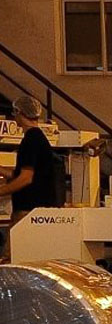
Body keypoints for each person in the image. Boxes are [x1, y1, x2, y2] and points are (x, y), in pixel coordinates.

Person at [0, 96, 57, 258]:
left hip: (27, 211)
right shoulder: (39, 139)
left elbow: (25, 178)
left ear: (19, 112)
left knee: (12, 258)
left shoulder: (31, 140)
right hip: (37, 211)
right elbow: (23, 174)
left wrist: (2, 191)